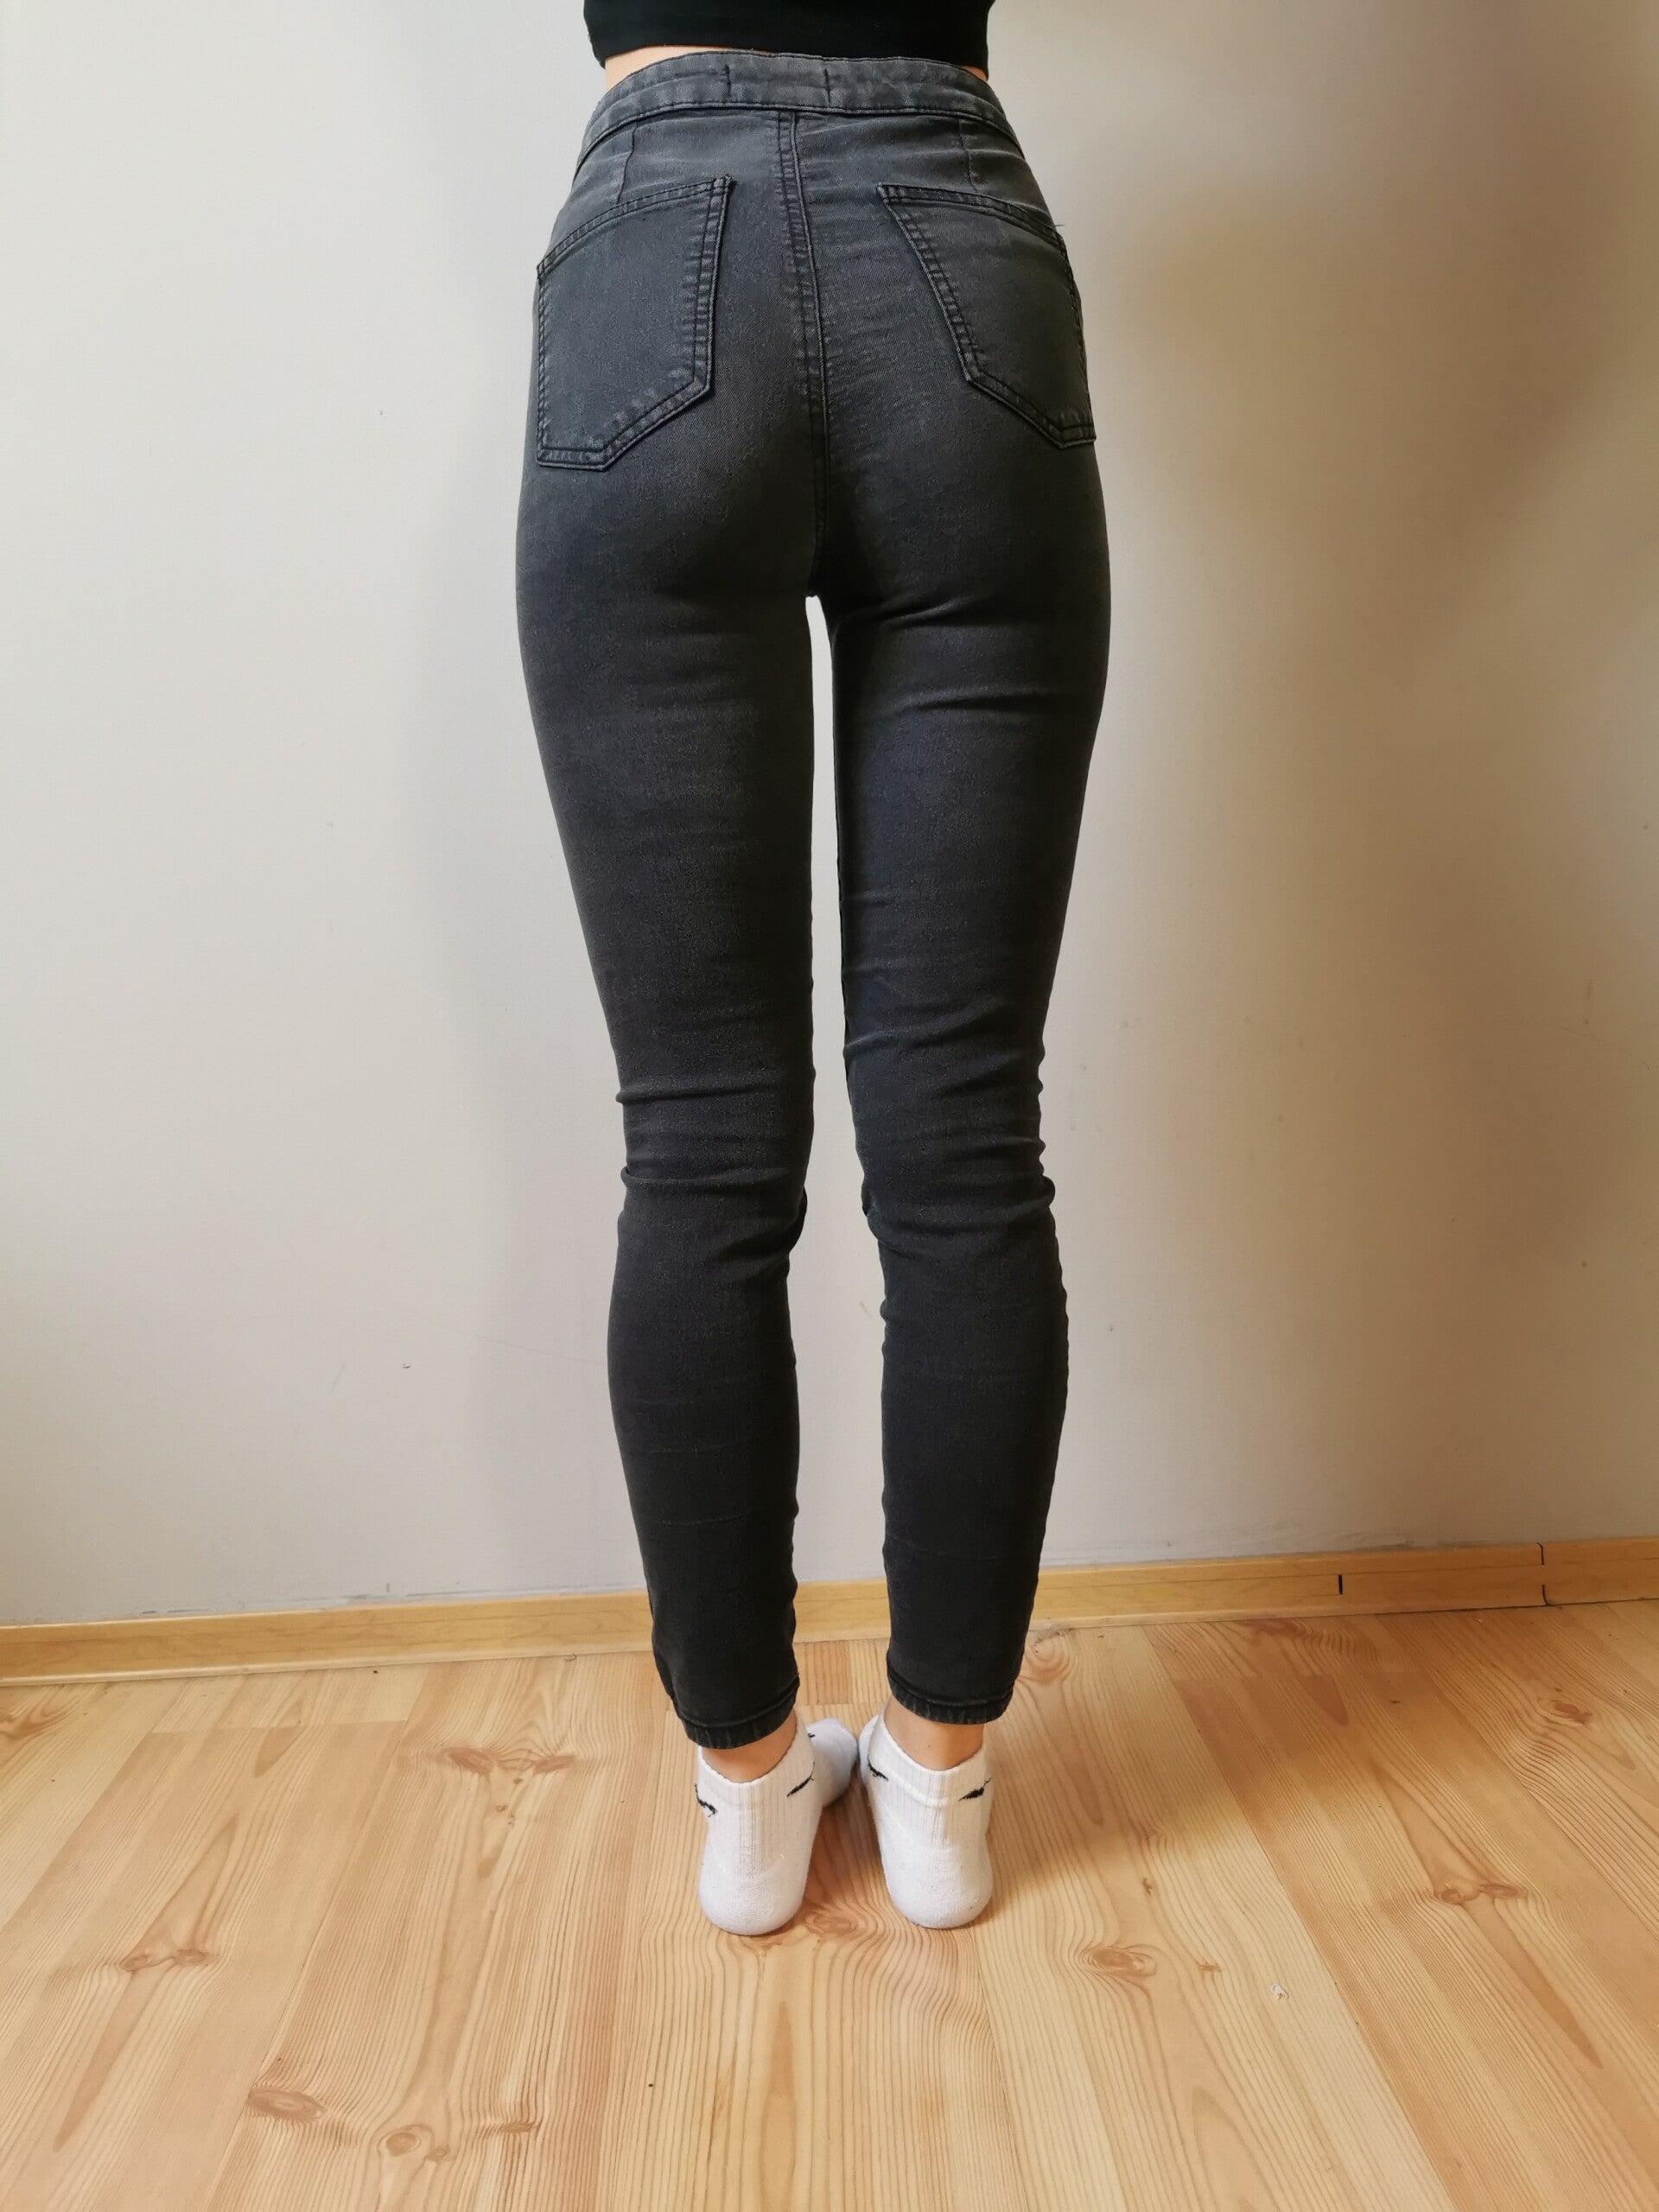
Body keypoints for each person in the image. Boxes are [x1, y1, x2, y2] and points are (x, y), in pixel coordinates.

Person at [515, 3, 1109, 1934]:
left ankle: (754, 1792)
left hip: (651, 261)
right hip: (957, 247)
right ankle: (937, 1785)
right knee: (963, 1139)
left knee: (698, 1147)